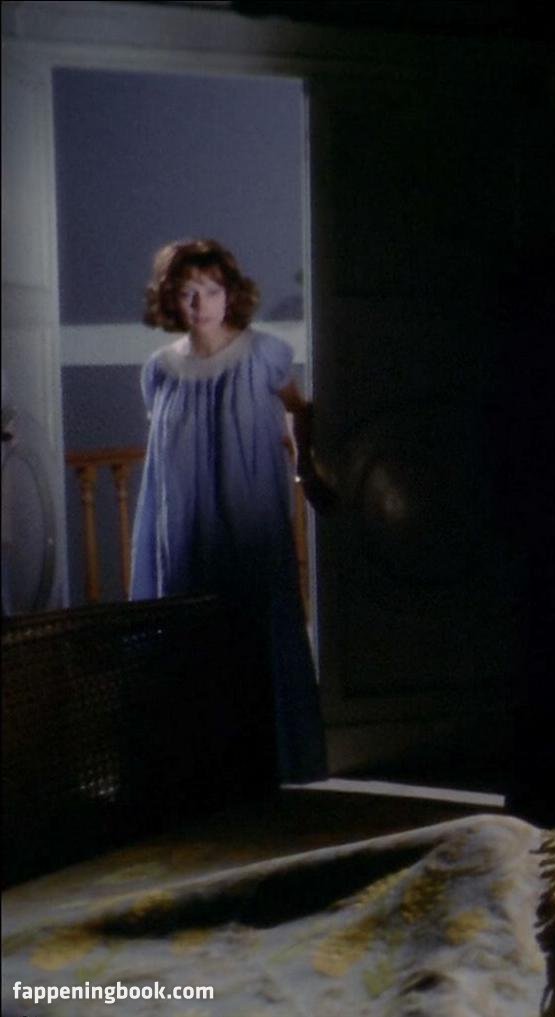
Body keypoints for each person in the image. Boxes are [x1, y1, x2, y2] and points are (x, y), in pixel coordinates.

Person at [129, 238, 329, 782]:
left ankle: (268, 759)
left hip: (247, 522)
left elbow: (299, 410)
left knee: (253, 628)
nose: (202, 304)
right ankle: (198, 764)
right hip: (183, 529)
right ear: (171, 298)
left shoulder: (263, 354)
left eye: (212, 291)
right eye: (188, 293)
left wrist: (305, 470)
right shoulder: (160, 369)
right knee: (190, 636)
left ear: (230, 294)